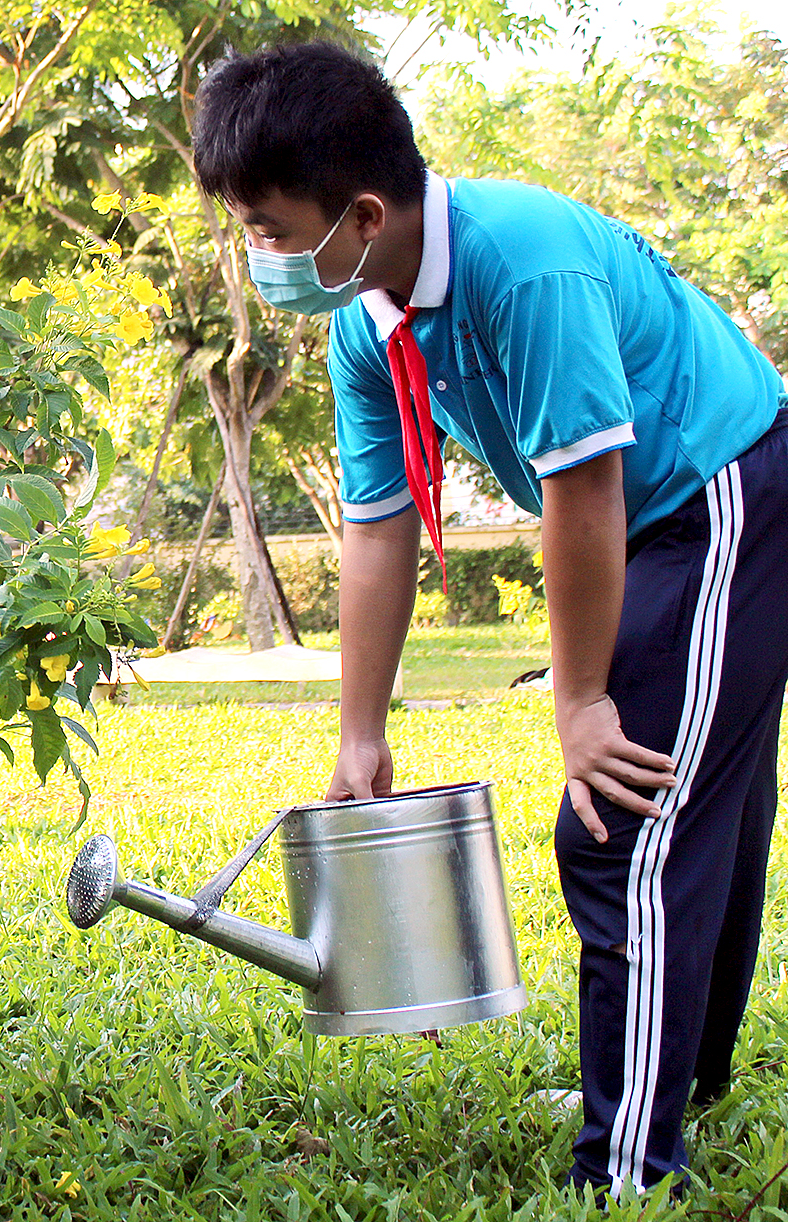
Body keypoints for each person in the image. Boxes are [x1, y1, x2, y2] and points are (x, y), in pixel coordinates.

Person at [191, 42, 787, 1197]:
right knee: (704, 801)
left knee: (628, 815)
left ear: (363, 213)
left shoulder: (526, 268)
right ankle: (666, 1073)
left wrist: (582, 702)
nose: (256, 255)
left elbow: (585, 494)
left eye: (269, 229)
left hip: (722, 493)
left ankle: (628, 1159)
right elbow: (376, 530)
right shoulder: (366, 320)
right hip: (643, 511)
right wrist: (360, 731)